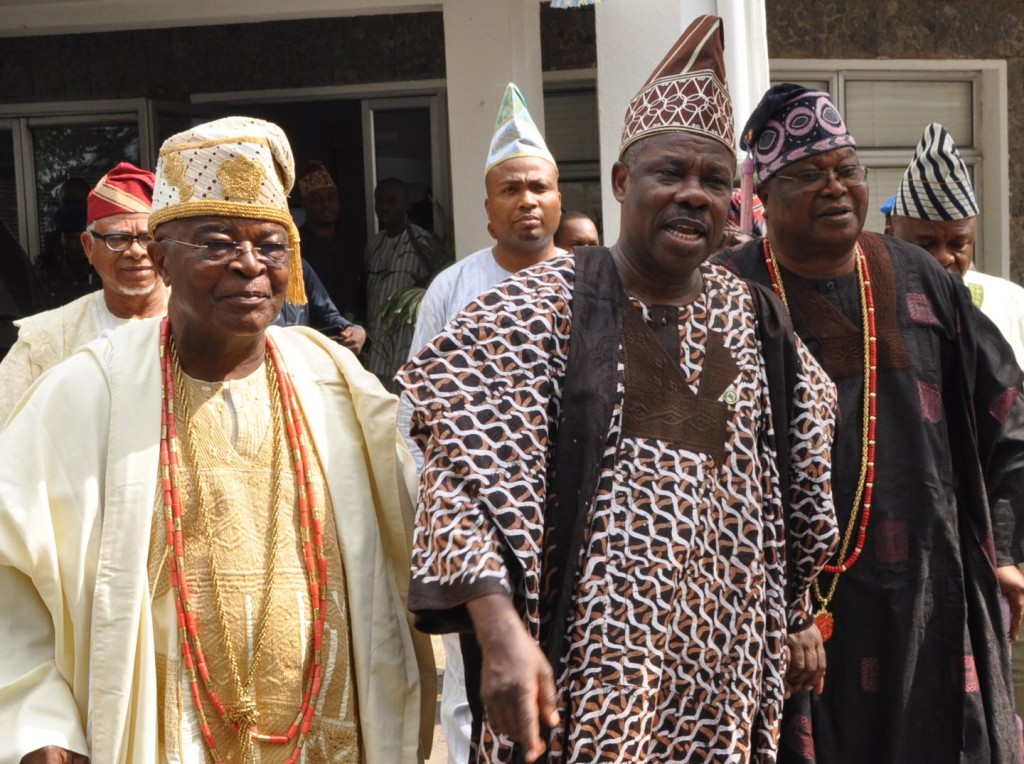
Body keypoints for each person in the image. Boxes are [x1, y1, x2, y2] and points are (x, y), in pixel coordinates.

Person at [399, 17, 839, 762]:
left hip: (723, 681)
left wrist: (797, 612)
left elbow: (798, 472)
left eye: (715, 181)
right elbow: (463, 486)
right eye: (671, 173)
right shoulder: (533, 308)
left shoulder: (755, 315)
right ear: (622, 181)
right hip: (583, 679)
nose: (695, 196)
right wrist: (500, 632)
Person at [0, 116, 434, 763]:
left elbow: (421, 512)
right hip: (166, 734)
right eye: (217, 241)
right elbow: (11, 576)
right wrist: (39, 725)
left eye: (270, 243)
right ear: (161, 253)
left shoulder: (331, 377)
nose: (250, 265)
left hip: (328, 733)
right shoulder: (87, 393)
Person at [716, 84, 1024, 763]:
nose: (835, 188)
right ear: (762, 194)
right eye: (807, 176)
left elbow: (1007, 414)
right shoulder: (723, 292)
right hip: (783, 611)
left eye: (847, 170)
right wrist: (775, 604)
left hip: (928, 589)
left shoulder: (919, 276)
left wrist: (1003, 552)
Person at [403, 81, 564, 764]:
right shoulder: (454, 288)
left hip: (566, 523)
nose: (528, 201)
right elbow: (418, 414)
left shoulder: (590, 284)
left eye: (539, 187)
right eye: (512, 190)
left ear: (560, 198)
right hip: (483, 531)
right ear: (488, 209)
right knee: (481, 683)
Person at [0, 162, 168, 424]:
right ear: (88, 246)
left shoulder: (207, 327)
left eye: (148, 238)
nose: (136, 252)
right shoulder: (44, 341)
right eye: (117, 238)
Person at [886, 122, 1024, 368]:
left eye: (958, 244)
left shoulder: (1012, 304)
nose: (943, 257)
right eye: (925, 244)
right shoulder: (872, 309)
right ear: (891, 237)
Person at [364, 176, 448, 392]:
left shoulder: (423, 242)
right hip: (377, 347)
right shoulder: (374, 244)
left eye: (392, 201)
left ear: (407, 204)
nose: (384, 207)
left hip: (407, 347)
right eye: (380, 201)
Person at [296, 160, 366, 322]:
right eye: (317, 200)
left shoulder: (352, 244)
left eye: (331, 198)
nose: (326, 204)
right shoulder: (297, 244)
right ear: (305, 204)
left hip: (350, 332)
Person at [275, 258, 368, 355]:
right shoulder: (259, 271)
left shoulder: (298, 267)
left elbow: (328, 316)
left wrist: (354, 330)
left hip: (299, 360)